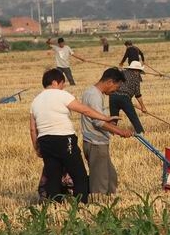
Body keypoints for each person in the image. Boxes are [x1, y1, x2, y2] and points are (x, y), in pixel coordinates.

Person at [29, 68, 133, 203]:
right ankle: (81, 204)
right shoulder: (62, 95)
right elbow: (84, 110)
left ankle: (54, 205)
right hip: (64, 138)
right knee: (79, 175)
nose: (63, 86)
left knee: (53, 175)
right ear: (55, 82)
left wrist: (36, 146)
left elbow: (32, 128)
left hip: (45, 141)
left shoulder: (35, 101)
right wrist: (105, 118)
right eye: (62, 83)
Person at [81, 68, 129, 195]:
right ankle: (99, 206)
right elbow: (98, 122)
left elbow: (100, 119)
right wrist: (120, 131)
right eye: (116, 87)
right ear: (109, 82)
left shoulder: (93, 93)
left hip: (98, 142)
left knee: (110, 178)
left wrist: (111, 125)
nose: (116, 90)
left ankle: (111, 202)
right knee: (100, 182)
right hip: (95, 143)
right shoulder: (94, 95)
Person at [109, 61, 148, 134]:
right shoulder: (136, 77)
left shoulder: (122, 72)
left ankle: (111, 134)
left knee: (114, 118)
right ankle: (141, 133)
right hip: (124, 98)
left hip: (113, 96)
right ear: (137, 70)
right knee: (134, 118)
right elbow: (138, 94)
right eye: (139, 71)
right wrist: (143, 107)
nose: (139, 73)